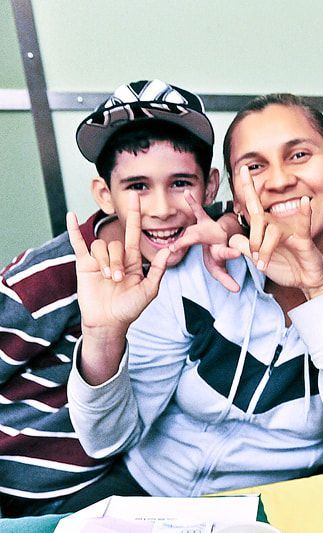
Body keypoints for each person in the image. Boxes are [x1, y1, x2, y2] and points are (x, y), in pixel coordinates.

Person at [66, 93, 323, 503]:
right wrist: (103, 337)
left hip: (276, 510)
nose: (280, 179)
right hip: (147, 496)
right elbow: (109, 440)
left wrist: (321, 295)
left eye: (299, 154)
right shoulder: (193, 271)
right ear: (234, 195)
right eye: (254, 166)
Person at [0, 79, 223, 517]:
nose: (161, 208)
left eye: (181, 183)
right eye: (137, 186)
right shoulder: (49, 276)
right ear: (105, 194)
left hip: (102, 493)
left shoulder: (214, 243)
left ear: (210, 188)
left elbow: (312, 200)